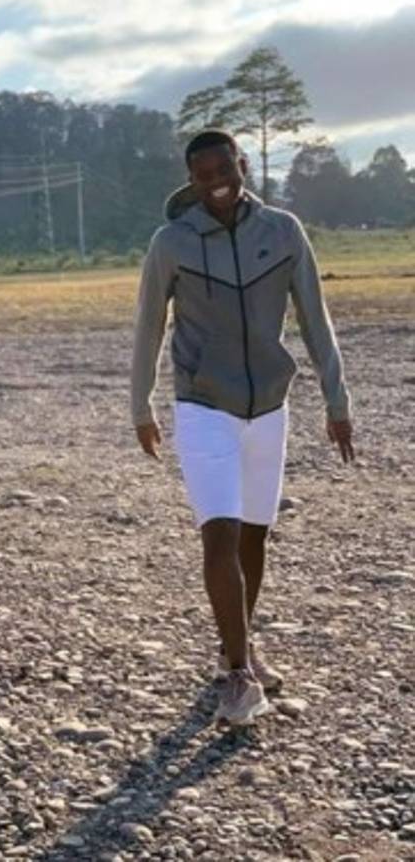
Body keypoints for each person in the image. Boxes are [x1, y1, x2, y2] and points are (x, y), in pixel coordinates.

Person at [131, 129, 353, 726]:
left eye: (224, 169)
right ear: (191, 179)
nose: (217, 183)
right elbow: (149, 325)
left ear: (243, 165)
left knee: (255, 536)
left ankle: (239, 646)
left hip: (269, 408)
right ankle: (237, 676)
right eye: (203, 175)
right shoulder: (171, 243)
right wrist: (141, 406)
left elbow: (316, 319)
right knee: (220, 536)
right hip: (203, 405)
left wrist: (337, 401)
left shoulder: (283, 231)